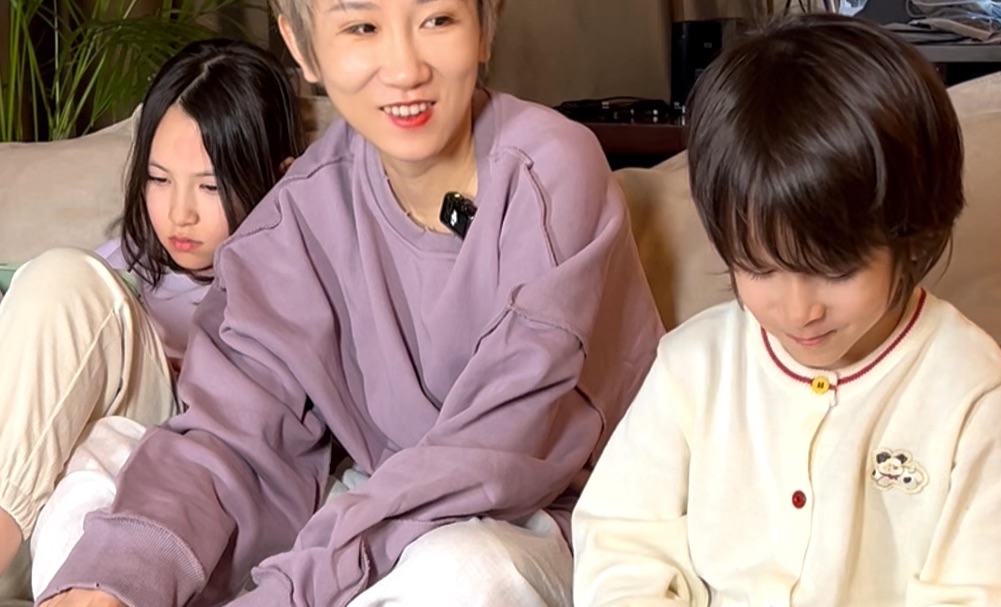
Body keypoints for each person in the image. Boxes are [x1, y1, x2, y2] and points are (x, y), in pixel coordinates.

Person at [37, 0, 664, 605]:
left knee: (463, 574)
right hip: (384, 505)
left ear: (485, 25)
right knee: (113, 480)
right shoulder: (299, 214)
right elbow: (234, 435)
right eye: (362, 27)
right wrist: (113, 581)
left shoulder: (550, 169)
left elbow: (496, 449)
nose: (405, 69)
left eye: (437, 19)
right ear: (302, 46)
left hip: (560, 518)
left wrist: (293, 589)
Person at [572, 13, 1001, 607]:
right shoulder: (692, 366)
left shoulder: (972, 389)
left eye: (834, 271)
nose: (797, 310)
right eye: (759, 268)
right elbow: (621, 541)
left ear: (911, 235)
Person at [0, 38, 304, 600]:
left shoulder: (298, 281)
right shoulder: (115, 265)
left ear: (280, 178)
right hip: (47, 490)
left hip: (187, 462)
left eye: (210, 186)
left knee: (68, 281)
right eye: (159, 180)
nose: (178, 213)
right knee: (59, 277)